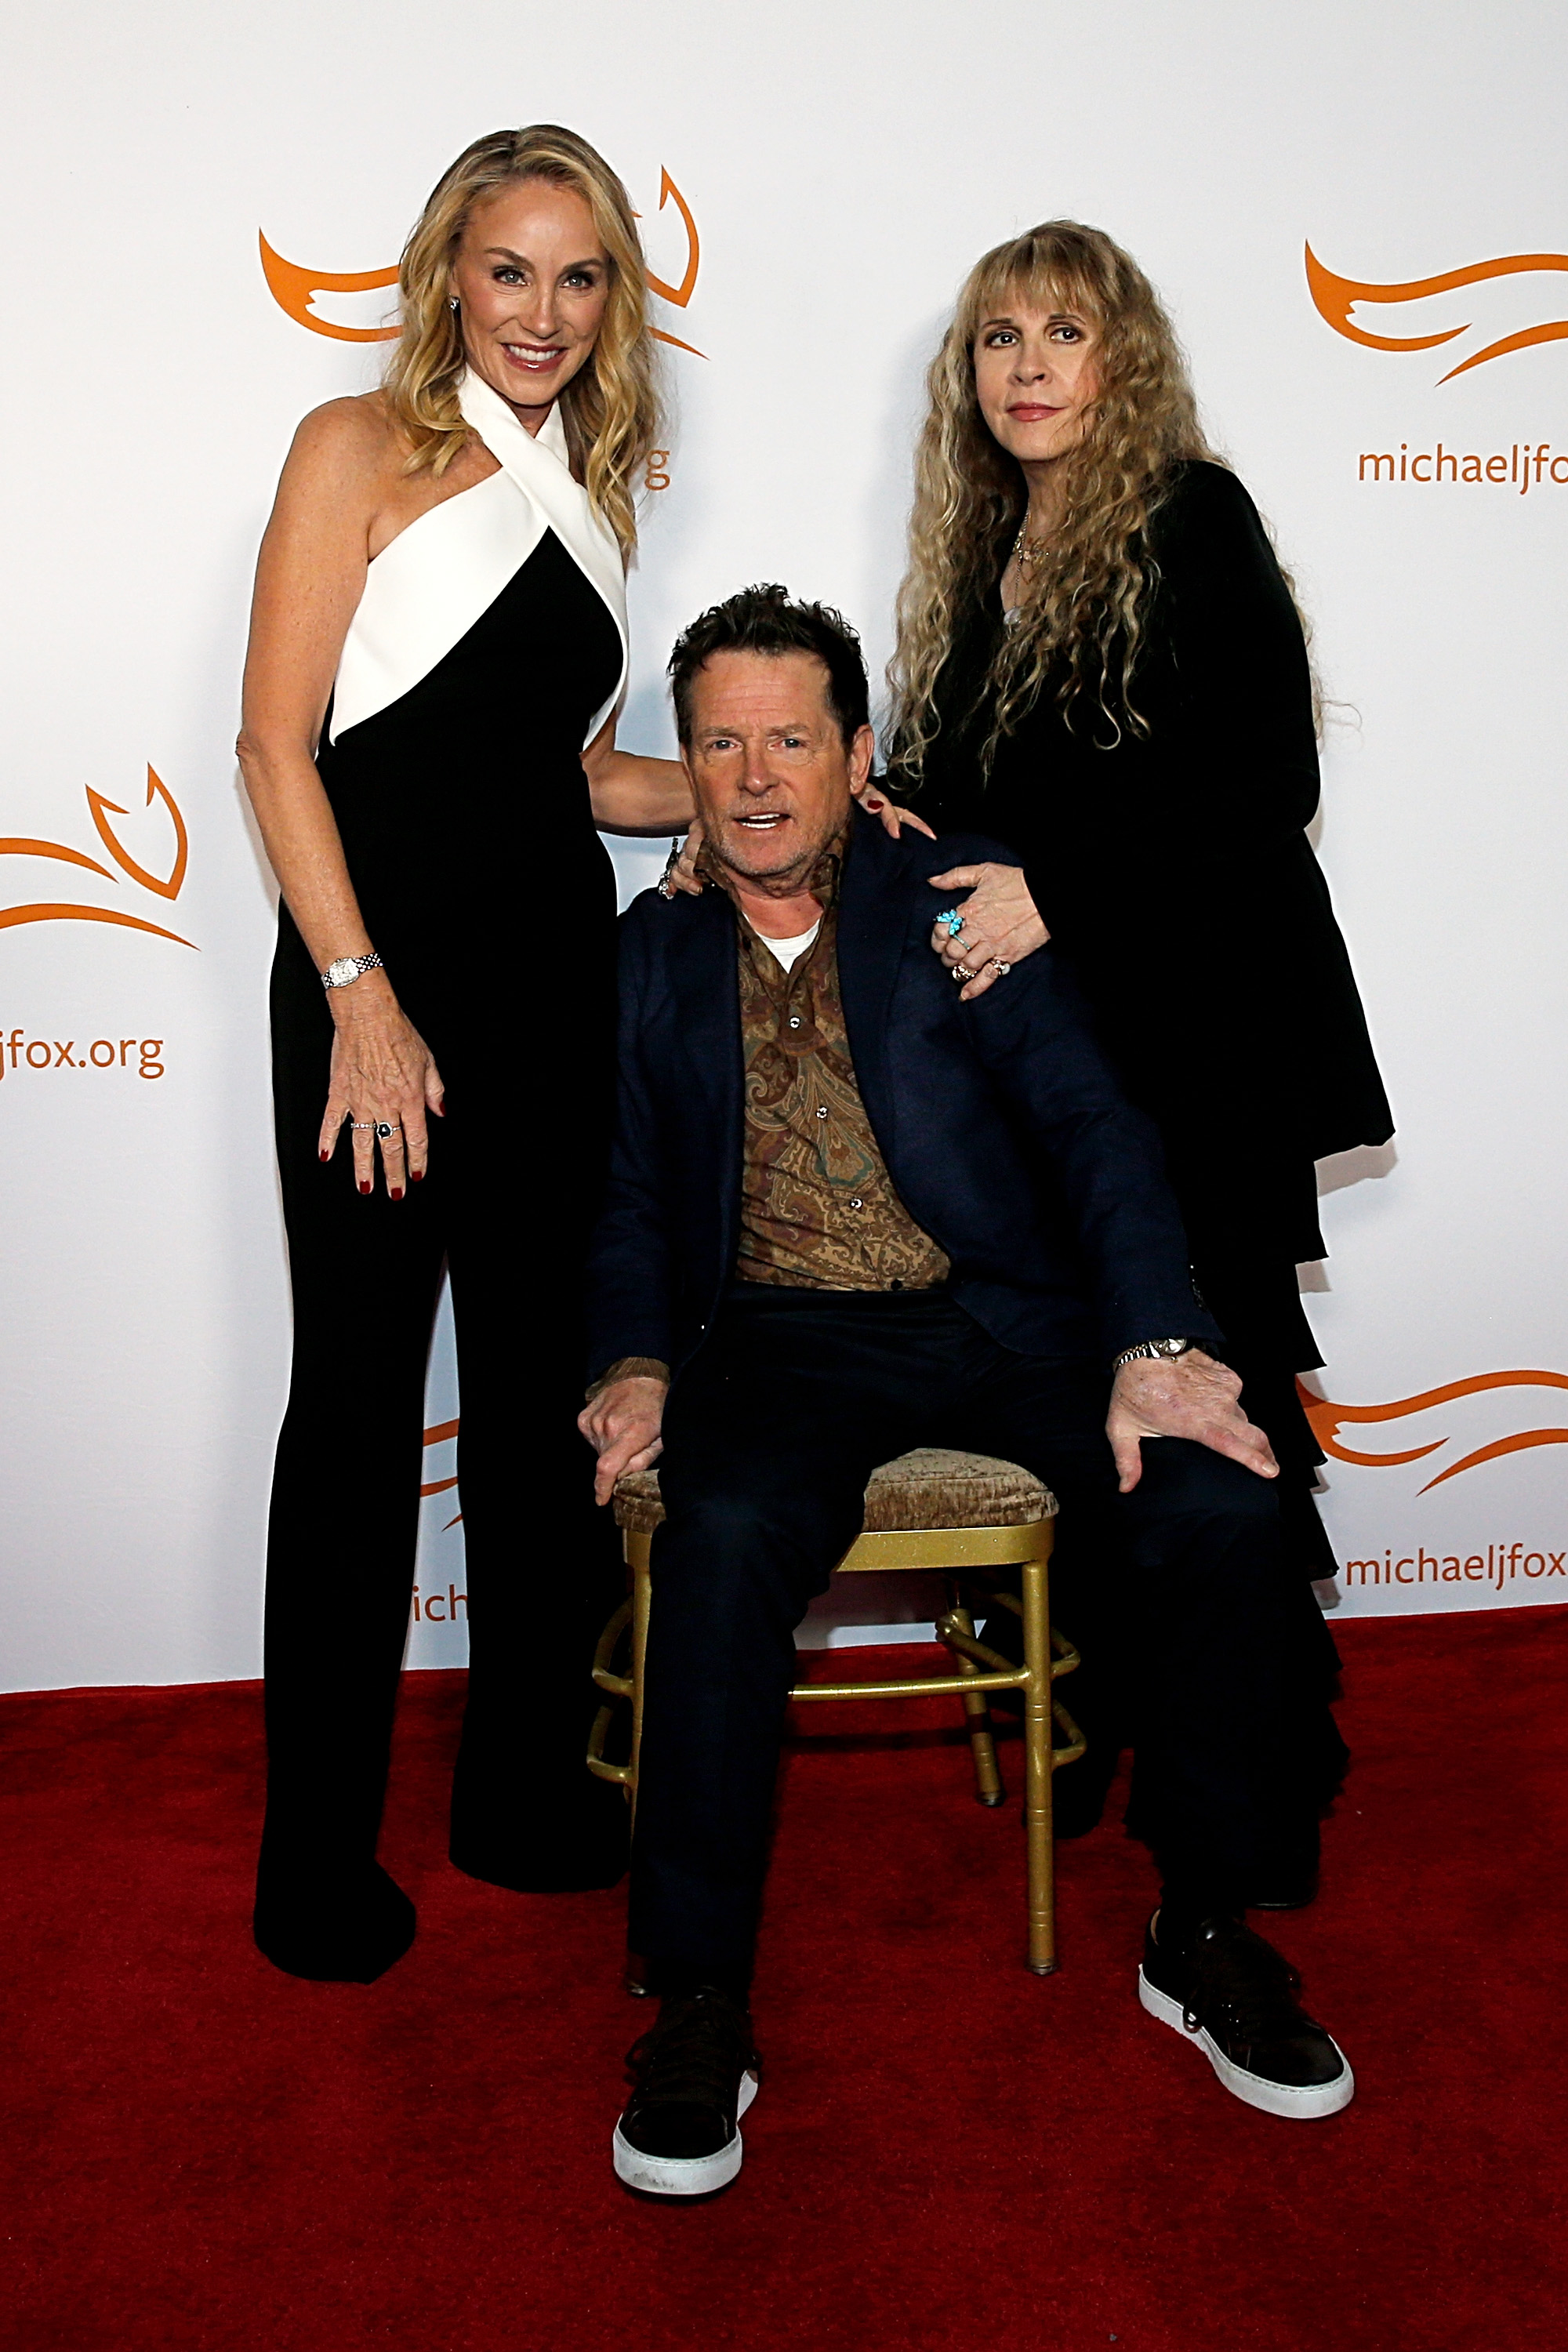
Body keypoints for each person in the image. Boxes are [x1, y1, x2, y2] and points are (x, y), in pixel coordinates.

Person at [579, 586, 1355, 2202]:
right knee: (714, 1545)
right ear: (689, 765)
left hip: (1003, 1320)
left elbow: (1092, 1129)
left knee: (1221, 1497)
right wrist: (636, 1362)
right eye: (719, 741)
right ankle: (698, 1996)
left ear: (858, 755)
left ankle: (1199, 1927)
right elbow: (634, 1198)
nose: (755, 774)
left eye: (792, 736)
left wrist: (1150, 1343)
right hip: (785, 1342)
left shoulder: (950, 903)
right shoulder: (648, 955)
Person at [237, 125, 695, 1984]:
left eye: (580, 278)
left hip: (549, 1002)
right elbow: (279, 749)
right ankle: (309, 1860)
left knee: (528, 1413)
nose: (543, 311)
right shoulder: (351, 450)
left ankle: (518, 1792)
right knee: (356, 1416)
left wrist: (782, 792)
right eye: (510, 270)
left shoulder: (598, 487)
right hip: (378, 1007)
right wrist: (357, 990)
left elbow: (567, 773)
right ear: (448, 275)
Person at [884, 220, 1392, 1871]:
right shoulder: (976, 568)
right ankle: (1101, 1714)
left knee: (1217, 1414)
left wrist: (1055, 891)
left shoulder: (1190, 518)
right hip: (1060, 1081)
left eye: (1061, 334)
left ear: (1122, 362)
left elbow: (1260, 790)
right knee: (1091, 1401)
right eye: (997, 339)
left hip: (1203, 1052)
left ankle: (1250, 1775)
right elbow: (981, 827)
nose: (1026, 367)